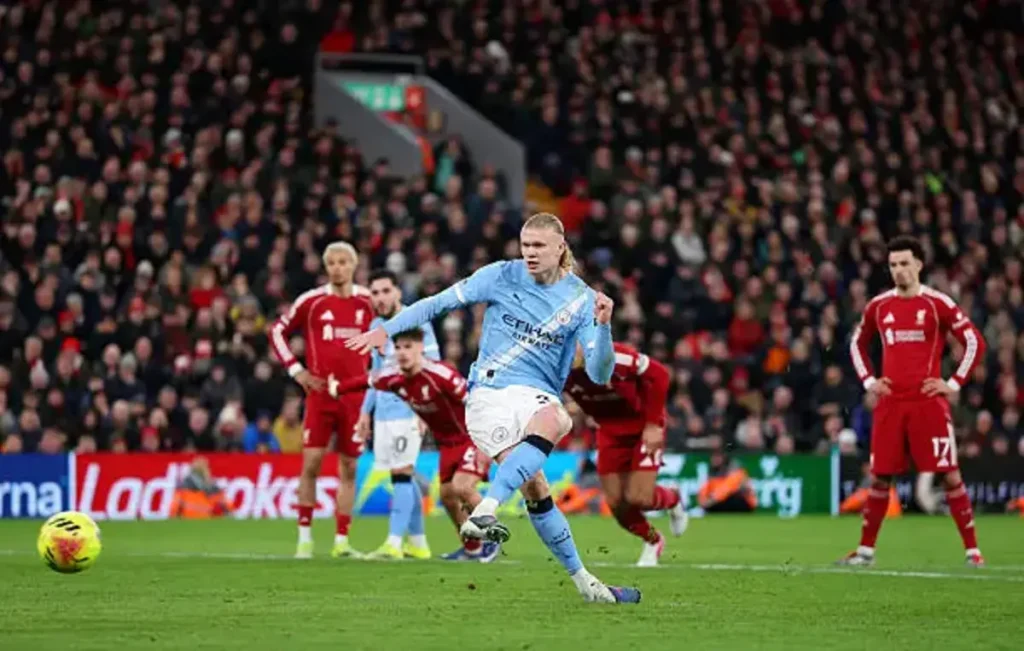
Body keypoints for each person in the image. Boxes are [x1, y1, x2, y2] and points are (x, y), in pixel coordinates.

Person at [347, 212, 640, 604]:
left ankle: (586, 584)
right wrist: (386, 329)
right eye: (525, 245)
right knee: (556, 418)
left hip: (534, 397)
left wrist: (603, 327)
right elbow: (437, 303)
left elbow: (602, 373)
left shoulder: (583, 301)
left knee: (536, 486)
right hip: (488, 394)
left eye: (538, 246)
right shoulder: (501, 274)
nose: (530, 253)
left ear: (560, 246)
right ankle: (486, 509)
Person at [841, 236, 987, 567]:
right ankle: (865, 552)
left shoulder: (938, 304)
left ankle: (973, 552)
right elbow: (857, 344)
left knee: (949, 475)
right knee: (880, 477)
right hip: (891, 404)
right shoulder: (879, 306)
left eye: (905, 263)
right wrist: (869, 381)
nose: (899, 270)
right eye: (893, 265)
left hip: (928, 403)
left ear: (919, 265)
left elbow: (974, 342)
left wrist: (952, 383)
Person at [330, 328, 500, 562]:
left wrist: (488, 440)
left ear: (421, 348)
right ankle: (472, 548)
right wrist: (336, 388)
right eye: (398, 347)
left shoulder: (441, 374)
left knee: (462, 487)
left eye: (408, 347)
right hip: (447, 445)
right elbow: (367, 381)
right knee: (447, 496)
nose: (402, 353)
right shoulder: (394, 378)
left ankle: (493, 537)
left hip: (473, 436)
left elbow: (475, 402)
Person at [269, 241, 373, 559]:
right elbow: (277, 331)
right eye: (331, 263)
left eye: (343, 262)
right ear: (326, 267)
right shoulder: (312, 301)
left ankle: (341, 541)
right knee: (311, 463)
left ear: (353, 265)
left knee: (350, 468)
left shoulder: (369, 302)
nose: (337, 268)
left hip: (355, 399)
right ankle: (304, 539)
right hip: (319, 397)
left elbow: (389, 336)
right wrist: (296, 370)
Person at [564, 341, 688, 567]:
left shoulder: (615, 357)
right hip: (609, 431)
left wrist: (653, 425)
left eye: (573, 346)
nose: (568, 353)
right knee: (616, 504)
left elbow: (660, 374)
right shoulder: (557, 367)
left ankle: (673, 498)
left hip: (643, 426)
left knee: (639, 497)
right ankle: (653, 540)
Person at [356, 269, 440, 560]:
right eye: (374, 293)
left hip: (409, 410)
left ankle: (393, 542)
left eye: (384, 291)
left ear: (397, 292)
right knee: (401, 477)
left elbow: (434, 365)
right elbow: (376, 374)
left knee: (402, 474)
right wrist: (365, 413)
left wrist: (425, 410)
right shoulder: (376, 325)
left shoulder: (416, 320)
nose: (379, 297)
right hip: (383, 414)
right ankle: (417, 543)